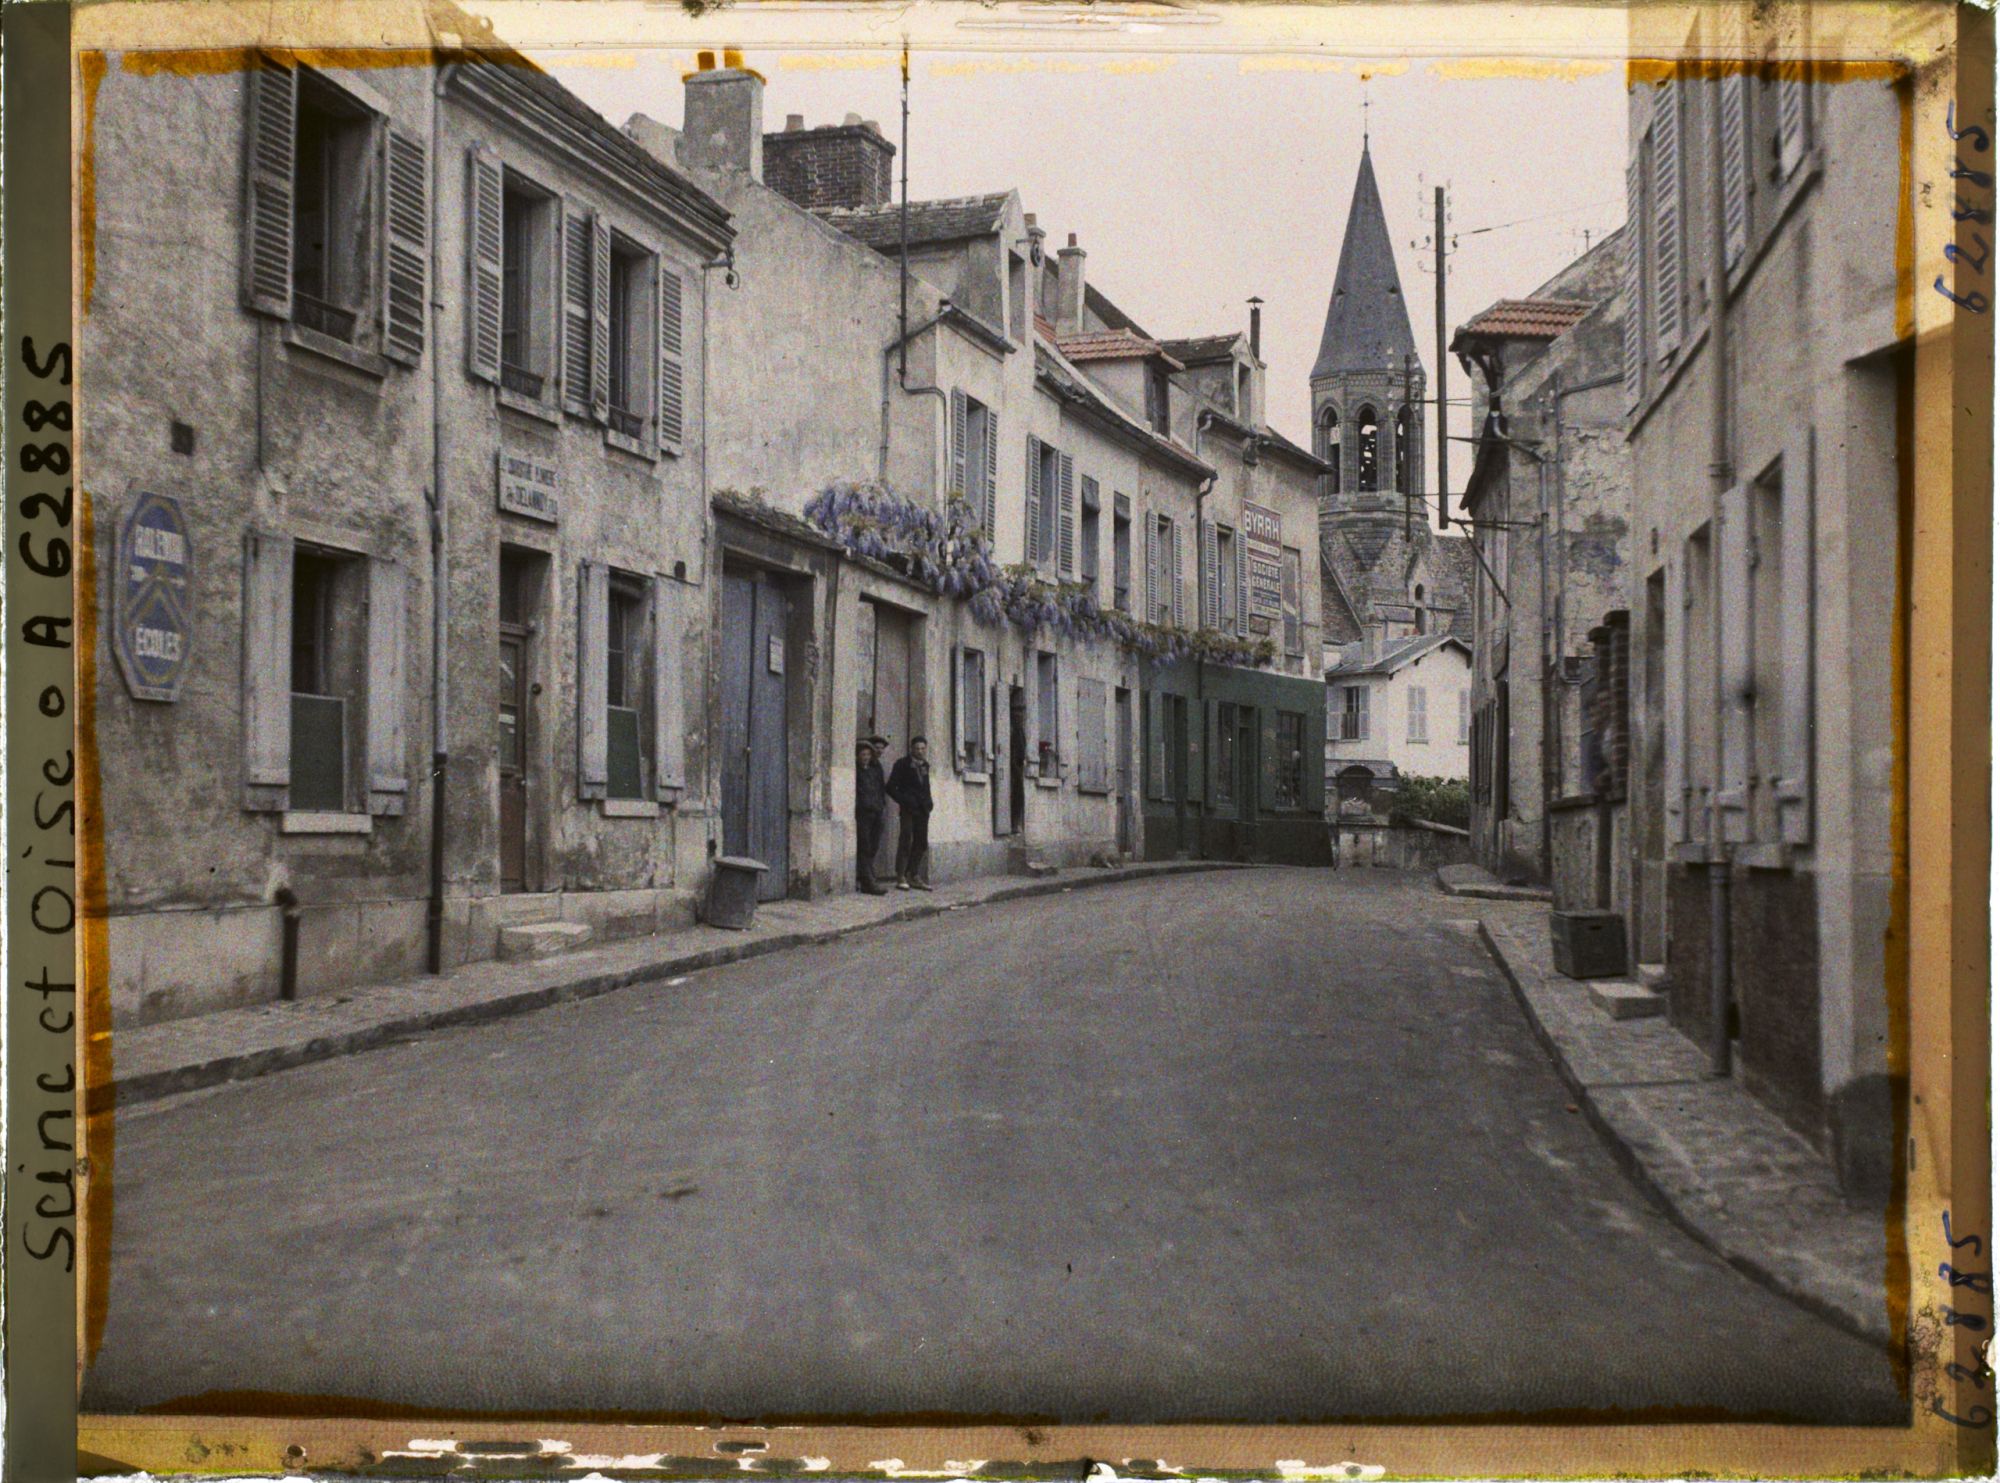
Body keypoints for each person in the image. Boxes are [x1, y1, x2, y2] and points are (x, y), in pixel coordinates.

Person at [887, 735, 935, 891]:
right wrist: (905, 800)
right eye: (917, 748)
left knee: (921, 842)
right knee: (906, 840)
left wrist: (929, 802)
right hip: (908, 809)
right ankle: (900, 875)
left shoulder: (925, 765)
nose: (920, 751)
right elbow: (890, 788)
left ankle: (913, 874)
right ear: (911, 749)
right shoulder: (902, 764)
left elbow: (925, 787)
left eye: (922, 748)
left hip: (923, 810)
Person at [854, 736, 891, 895]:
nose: (866, 757)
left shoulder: (875, 769)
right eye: (863, 755)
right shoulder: (856, 771)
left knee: (873, 845)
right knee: (865, 846)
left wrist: (881, 806)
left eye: (868, 755)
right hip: (863, 813)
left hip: (876, 811)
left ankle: (868, 876)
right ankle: (867, 882)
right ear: (857, 756)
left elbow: (881, 788)